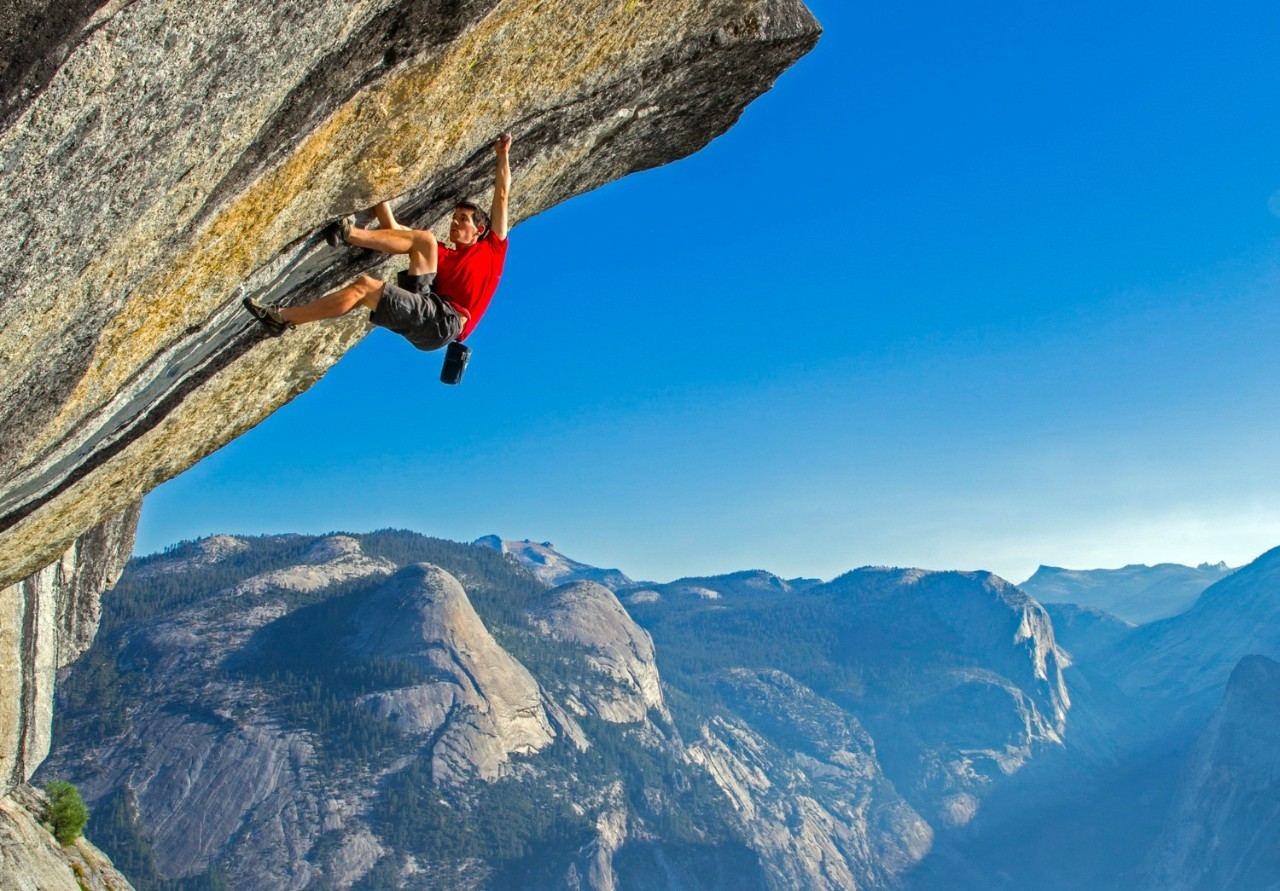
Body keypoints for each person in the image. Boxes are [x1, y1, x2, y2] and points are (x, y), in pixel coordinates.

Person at [244, 133, 511, 357]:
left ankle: (284, 317)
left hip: (443, 324)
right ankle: (347, 236)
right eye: (454, 218)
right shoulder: (443, 253)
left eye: (462, 220)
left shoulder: (492, 248)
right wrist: (376, 189)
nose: (454, 223)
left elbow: (501, 196)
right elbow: (393, 231)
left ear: (479, 229)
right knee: (423, 240)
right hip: (428, 302)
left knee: (364, 287)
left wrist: (502, 155)